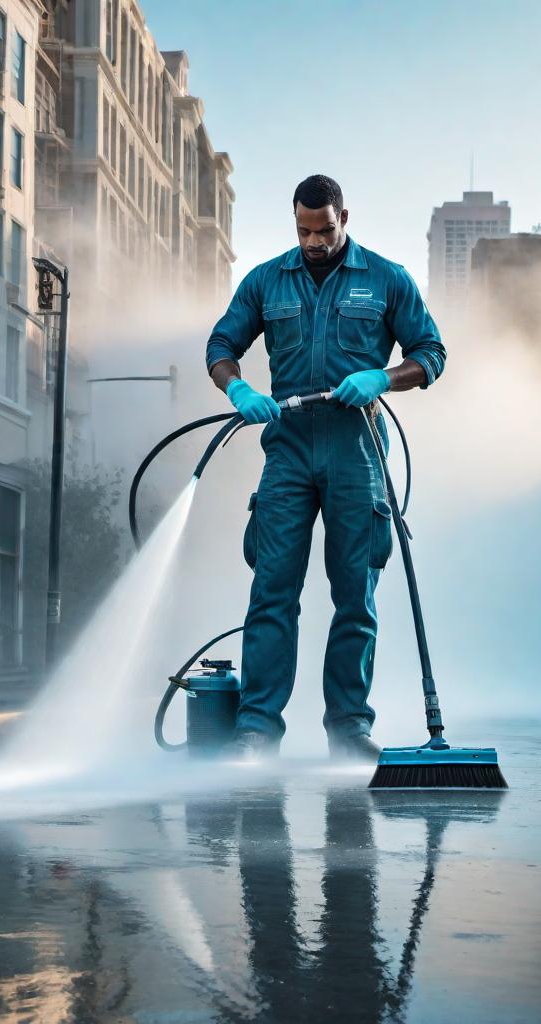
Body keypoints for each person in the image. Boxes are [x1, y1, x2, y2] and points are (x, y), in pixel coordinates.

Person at [205, 174, 446, 761]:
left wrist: (382, 378)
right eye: (303, 229)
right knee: (271, 591)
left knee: (356, 596)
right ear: (294, 220)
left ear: (344, 217)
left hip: (356, 452)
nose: (313, 241)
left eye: (324, 229)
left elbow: (431, 354)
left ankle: (349, 729)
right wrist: (237, 389)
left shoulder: (386, 280)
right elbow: (220, 346)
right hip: (287, 451)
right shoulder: (267, 280)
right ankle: (256, 728)